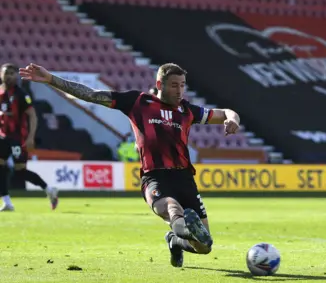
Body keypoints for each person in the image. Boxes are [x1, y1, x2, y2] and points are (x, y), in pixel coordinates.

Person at [19, 62, 241, 268]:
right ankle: (182, 228)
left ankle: (175, 240)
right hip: (155, 178)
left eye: (182, 85)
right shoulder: (138, 102)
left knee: (204, 247)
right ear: (159, 85)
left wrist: (233, 120)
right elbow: (92, 95)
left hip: (184, 179)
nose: (179, 90)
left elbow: (226, 112)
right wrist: (51, 79)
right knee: (173, 208)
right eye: (174, 85)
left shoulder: (187, 110)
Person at [0, 63, 58, 212]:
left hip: (17, 138)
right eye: (6, 73)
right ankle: (7, 202)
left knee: (20, 170)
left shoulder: (21, 94)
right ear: (1, 75)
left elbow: (32, 116)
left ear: (16, 76)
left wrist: (31, 136)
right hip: (2, 137)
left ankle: (49, 189)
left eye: (12, 73)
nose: (9, 76)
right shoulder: (0, 93)